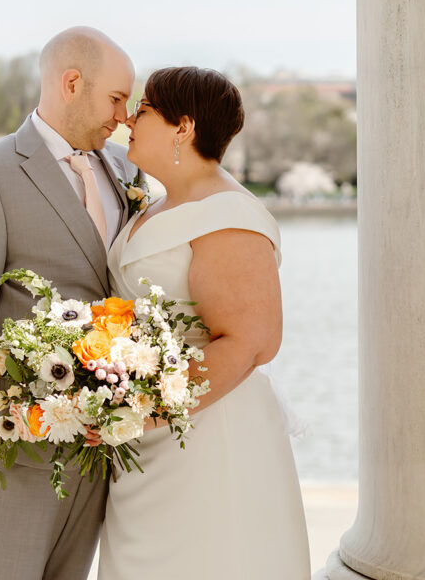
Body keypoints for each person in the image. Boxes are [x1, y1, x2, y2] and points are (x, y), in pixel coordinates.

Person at [0, 26, 140, 580]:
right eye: (116, 99)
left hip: (98, 444)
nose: (124, 116)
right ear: (72, 82)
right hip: (13, 448)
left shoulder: (124, 172)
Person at [98, 66, 311, 580]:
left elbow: (251, 341)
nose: (128, 119)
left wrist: (144, 410)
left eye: (144, 109)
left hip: (206, 435)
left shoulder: (227, 215)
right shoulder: (158, 203)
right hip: (145, 437)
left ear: (183, 127)